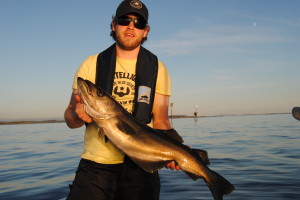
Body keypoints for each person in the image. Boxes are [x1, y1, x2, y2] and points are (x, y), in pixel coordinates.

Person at [64, 0, 182, 199]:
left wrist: (175, 152)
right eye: (124, 20)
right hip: (95, 168)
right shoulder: (91, 64)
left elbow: (161, 121)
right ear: (113, 24)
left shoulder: (157, 68)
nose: (131, 26)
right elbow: (69, 118)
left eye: (138, 23)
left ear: (146, 31)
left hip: (141, 168)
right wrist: (76, 115)